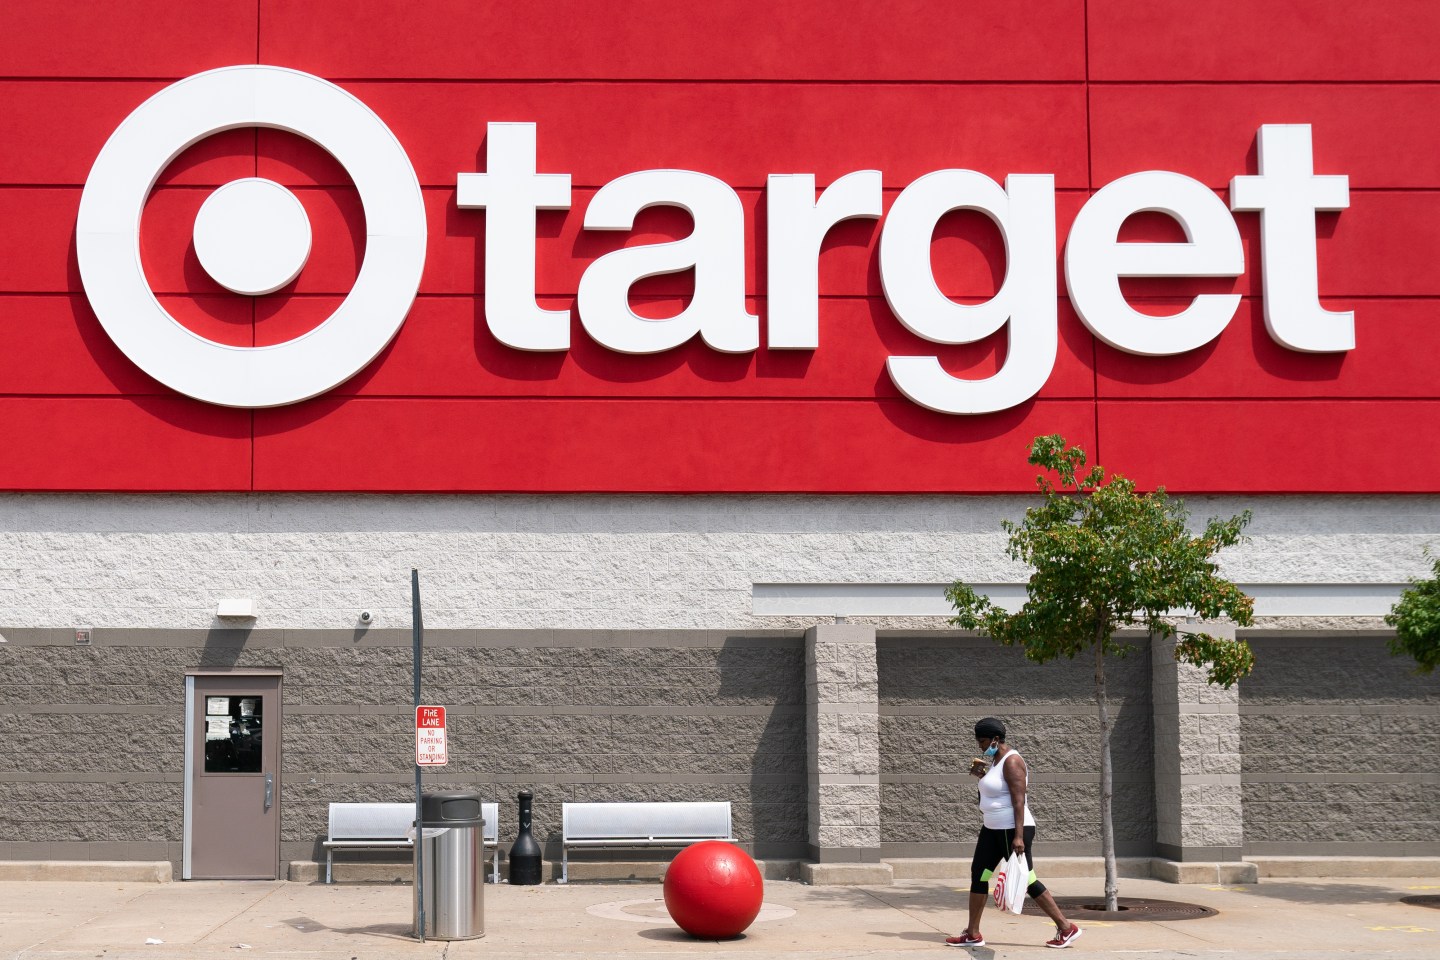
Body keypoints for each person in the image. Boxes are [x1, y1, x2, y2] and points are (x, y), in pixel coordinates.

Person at [945, 717, 1083, 949]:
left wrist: (1018, 836)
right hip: (992, 828)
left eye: (983, 741)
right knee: (979, 873)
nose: (980, 746)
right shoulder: (996, 762)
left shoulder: (1012, 761)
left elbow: (1019, 801)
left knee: (1026, 878)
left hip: (1012, 829)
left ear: (996, 740)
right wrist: (981, 777)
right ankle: (973, 933)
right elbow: (990, 798)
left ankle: (1066, 928)